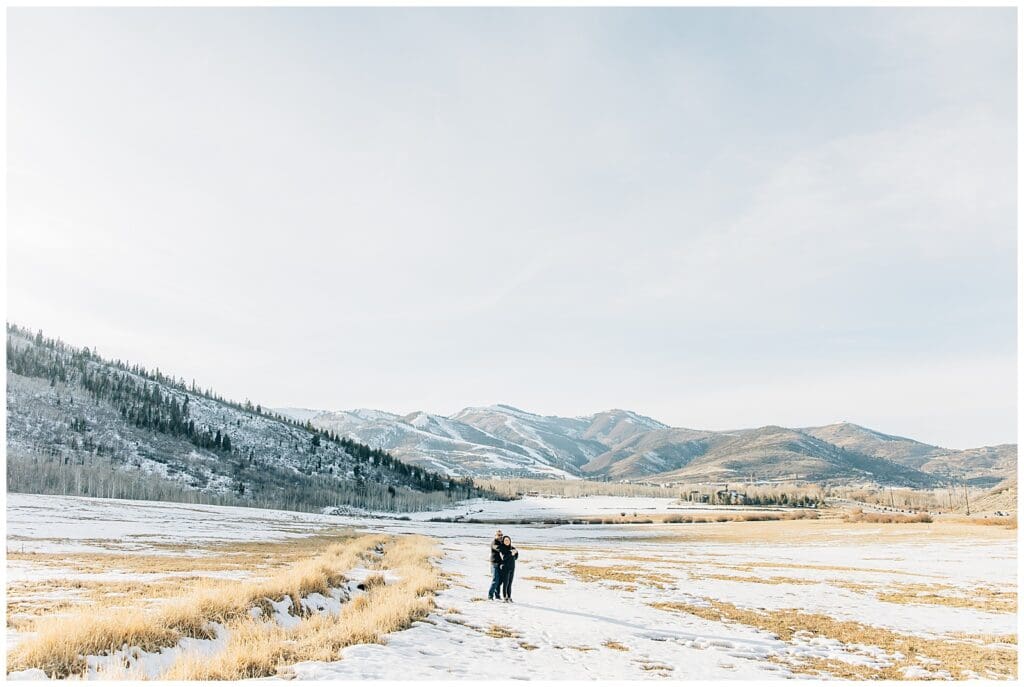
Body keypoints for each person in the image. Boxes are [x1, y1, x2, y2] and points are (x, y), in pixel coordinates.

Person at [499, 535, 518, 603]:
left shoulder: (512, 548)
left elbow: (515, 558)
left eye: (508, 540)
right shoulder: (502, 548)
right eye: (505, 540)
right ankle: (505, 597)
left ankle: (509, 597)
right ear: (503, 541)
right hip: (505, 568)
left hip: (512, 568)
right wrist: (511, 553)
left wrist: (515, 553)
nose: (507, 541)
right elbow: (503, 558)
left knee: (510, 583)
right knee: (506, 583)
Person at [487, 529, 504, 600]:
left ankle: (497, 595)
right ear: (495, 536)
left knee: (499, 581)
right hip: (494, 564)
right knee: (495, 580)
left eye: (501, 535)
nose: (500, 536)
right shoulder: (494, 542)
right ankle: (490, 596)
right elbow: (499, 549)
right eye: (499, 535)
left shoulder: (501, 542)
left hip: (499, 564)